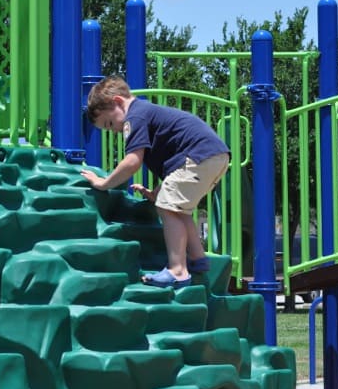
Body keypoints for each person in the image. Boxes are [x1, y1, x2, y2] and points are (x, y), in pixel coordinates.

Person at [81, 75, 230, 288]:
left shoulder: (136, 116)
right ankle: (198, 260)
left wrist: (104, 183)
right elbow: (176, 164)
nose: (113, 129)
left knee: (167, 208)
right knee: (178, 208)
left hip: (199, 155)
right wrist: (157, 191)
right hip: (213, 156)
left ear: (118, 102)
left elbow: (133, 161)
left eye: (110, 123)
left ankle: (178, 271)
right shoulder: (146, 112)